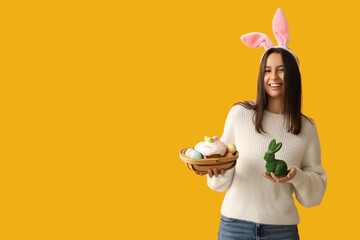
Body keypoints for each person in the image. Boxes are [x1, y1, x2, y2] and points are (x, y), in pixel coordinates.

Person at [194, 8, 327, 240]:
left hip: (282, 231)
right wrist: (216, 172)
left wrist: (295, 175)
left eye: (281, 70)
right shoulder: (239, 114)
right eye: (267, 71)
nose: (273, 77)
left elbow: (313, 198)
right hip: (234, 227)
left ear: (293, 75)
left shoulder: (306, 128)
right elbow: (220, 178)